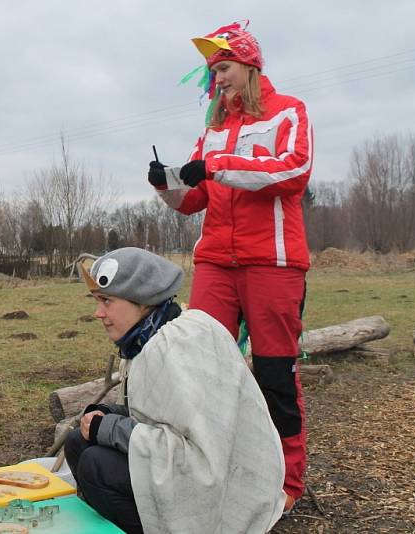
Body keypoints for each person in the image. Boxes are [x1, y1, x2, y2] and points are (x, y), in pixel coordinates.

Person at [146, 22, 312, 513]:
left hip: (273, 262)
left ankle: (287, 482)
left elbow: (292, 171)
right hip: (216, 261)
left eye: (222, 68)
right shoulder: (214, 129)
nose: (216, 79)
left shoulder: (290, 112)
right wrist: (165, 184)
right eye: (212, 72)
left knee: (275, 372)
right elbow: (193, 200)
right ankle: (214, 471)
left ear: (249, 66)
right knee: (204, 368)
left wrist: (215, 165)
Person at [65, 248, 286, 533]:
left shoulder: (184, 344)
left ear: (142, 301)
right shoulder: (149, 339)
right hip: (184, 464)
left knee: (97, 465)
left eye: (106, 301)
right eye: (97, 301)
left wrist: (110, 428)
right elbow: (157, 417)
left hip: (224, 490)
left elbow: (200, 455)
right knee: (77, 443)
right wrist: (109, 415)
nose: (98, 313)